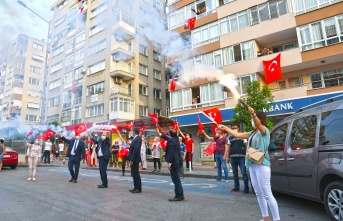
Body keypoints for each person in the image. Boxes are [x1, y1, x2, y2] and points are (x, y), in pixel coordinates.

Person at [220, 107, 280, 221]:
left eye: (254, 119)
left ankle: (277, 219)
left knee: (267, 193)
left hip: (262, 164)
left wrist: (253, 114)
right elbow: (237, 135)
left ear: (259, 119)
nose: (252, 121)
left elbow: (258, 124)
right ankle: (265, 217)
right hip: (252, 164)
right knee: (258, 193)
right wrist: (226, 128)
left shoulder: (264, 131)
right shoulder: (252, 133)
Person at [156, 126, 184, 201]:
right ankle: (181, 194)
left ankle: (178, 196)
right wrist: (159, 133)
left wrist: (170, 163)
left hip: (173, 162)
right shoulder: (176, 139)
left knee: (175, 180)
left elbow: (171, 152)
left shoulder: (171, 141)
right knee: (178, 179)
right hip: (178, 161)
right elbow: (167, 138)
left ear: (170, 134)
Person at [227, 124, 249, 193]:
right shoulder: (230, 137)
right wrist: (228, 157)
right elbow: (229, 148)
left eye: (235, 128)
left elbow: (246, 145)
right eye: (232, 128)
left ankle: (246, 188)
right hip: (233, 157)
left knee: (244, 173)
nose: (234, 129)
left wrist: (247, 155)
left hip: (241, 157)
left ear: (238, 128)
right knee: (235, 173)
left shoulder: (242, 136)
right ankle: (236, 187)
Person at [129, 128, 142, 193]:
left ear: (134, 132)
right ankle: (135, 186)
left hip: (135, 159)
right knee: (134, 174)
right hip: (134, 158)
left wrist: (132, 159)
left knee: (136, 174)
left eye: (132, 131)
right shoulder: (135, 138)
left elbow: (136, 150)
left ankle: (138, 188)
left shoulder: (137, 138)